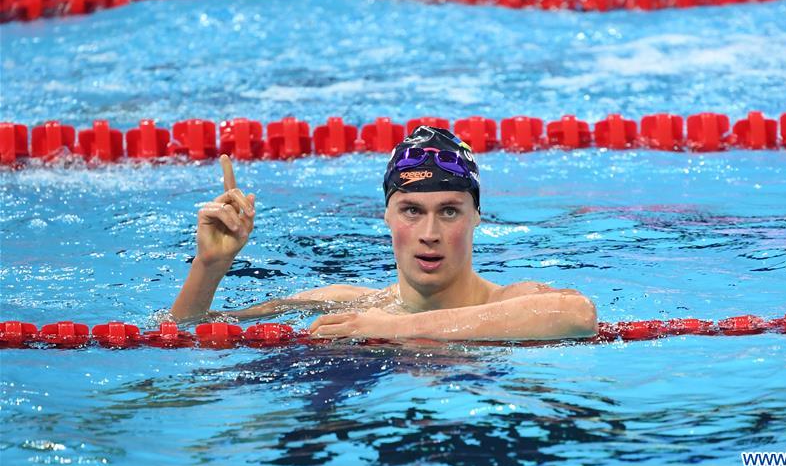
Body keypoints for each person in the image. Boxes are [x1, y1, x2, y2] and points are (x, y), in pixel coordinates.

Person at [170, 126, 597, 341]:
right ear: (387, 216)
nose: (429, 233)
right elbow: (188, 329)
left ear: (477, 217)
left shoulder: (511, 301)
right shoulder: (349, 305)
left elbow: (578, 316)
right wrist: (210, 266)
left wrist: (399, 328)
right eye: (412, 210)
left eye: (449, 211)